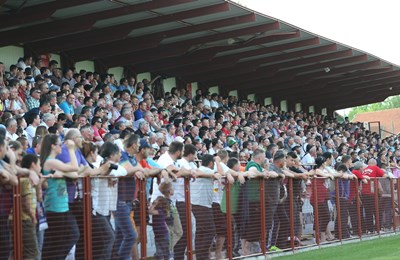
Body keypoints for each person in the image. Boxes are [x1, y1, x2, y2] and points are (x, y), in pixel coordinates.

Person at [40, 134, 80, 259]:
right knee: (58, 241)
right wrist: (71, 149)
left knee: (69, 236)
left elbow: (74, 174)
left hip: (61, 205)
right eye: (59, 144)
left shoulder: (56, 162)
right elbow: (75, 167)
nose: (62, 146)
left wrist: (62, 172)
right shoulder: (51, 161)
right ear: (53, 146)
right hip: (55, 206)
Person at [8, 154, 41, 260]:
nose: (40, 167)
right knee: (32, 251)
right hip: (24, 220)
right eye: (39, 165)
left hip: (23, 219)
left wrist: (39, 182)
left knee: (19, 251)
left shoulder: (31, 180)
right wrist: (33, 217)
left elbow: (39, 198)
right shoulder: (24, 180)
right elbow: (25, 201)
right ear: (33, 165)